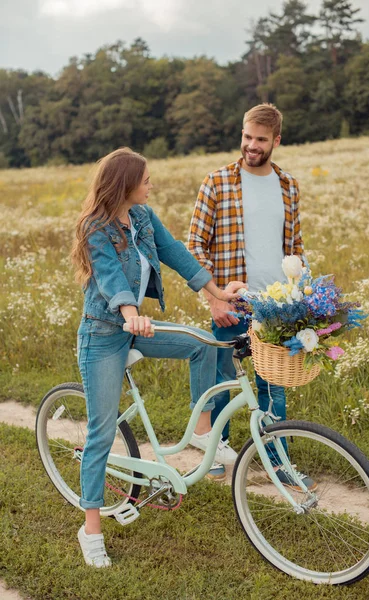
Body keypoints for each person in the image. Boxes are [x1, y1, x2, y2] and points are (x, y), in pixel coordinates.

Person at [71, 147, 244, 567]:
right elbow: (111, 277)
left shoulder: (143, 218)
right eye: (146, 179)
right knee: (101, 429)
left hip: (134, 328)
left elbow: (176, 252)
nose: (152, 185)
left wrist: (217, 292)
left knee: (202, 343)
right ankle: (91, 529)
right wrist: (131, 314)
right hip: (104, 333)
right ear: (126, 184)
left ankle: (204, 433)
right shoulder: (95, 228)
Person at [188, 103, 316, 490]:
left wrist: (304, 296)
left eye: (261, 139)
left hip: (276, 305)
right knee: (225, 380)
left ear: (276, 140)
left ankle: (280, 465)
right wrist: (215, 299)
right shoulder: (217, 182)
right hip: (231, 302)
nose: (251, 146)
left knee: (273, 385)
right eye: (247, 137)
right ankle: (215, 449)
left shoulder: (288, 185)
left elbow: (294, 247)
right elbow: (194, 245)